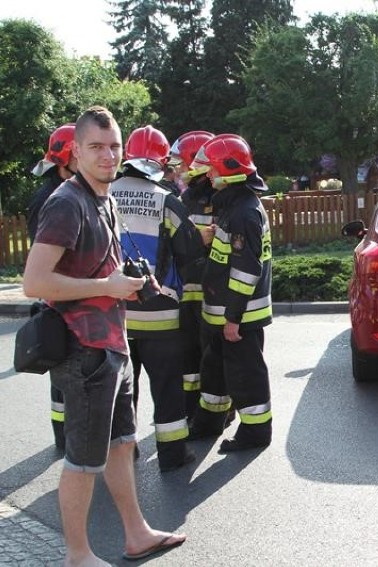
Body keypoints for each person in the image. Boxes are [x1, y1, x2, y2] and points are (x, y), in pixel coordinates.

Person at [22, 106, 187, 564]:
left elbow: (98, 270)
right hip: (83, 350)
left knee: (122, 444)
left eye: (114, 146)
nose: (108, 155)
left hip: (113, 342)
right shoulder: (65, 203)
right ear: (75, 152)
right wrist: (106, 288)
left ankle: (136, 533)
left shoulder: (105, 198)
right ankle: (78, 556)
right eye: (96, 147)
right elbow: (34, 283)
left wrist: (128, 288)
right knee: (84, 460)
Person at [111, 125, 207, 472]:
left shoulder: (103, 194)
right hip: (161, 315)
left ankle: (125, 455)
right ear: (161, 161)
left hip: (114, 315)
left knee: (122, 393)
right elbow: (191, 255)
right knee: (168, 389)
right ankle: (172, 455)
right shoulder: (167, 200)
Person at [187, 134, 274, 452]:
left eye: (211, 169)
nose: (207, 175)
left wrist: (233, 318)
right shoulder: (233, 206)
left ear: (227, 170)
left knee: (245, 375)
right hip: (222, 311)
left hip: (239, 315)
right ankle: (208, 422)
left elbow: (245, 271)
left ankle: (255, 432)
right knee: (215, 371)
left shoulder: (243, 213)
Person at [27, 123, 78, 452]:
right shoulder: (57, 199)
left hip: (60, 295)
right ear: (68, 159)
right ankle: (66, 438)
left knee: (62, 376)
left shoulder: (51, 193)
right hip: (62, 298)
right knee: (65, 373)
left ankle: (64, 435)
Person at [171, 130, 217, 419]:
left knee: (200, 355)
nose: (179, 170)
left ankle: (204, 411)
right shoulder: (189, 198)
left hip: (200, 294)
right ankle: (204, 410)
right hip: (199, 293)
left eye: (182, 163)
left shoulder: (192, 200)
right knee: (195, 356)